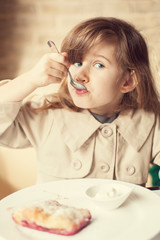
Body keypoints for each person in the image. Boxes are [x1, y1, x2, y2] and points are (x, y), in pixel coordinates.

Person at [0, 17, 160, 186]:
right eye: (77, 62)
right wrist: (29, 80)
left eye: (99, 65)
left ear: (127, 81)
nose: (78, 76)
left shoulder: (150, 120)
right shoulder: (46, 114)